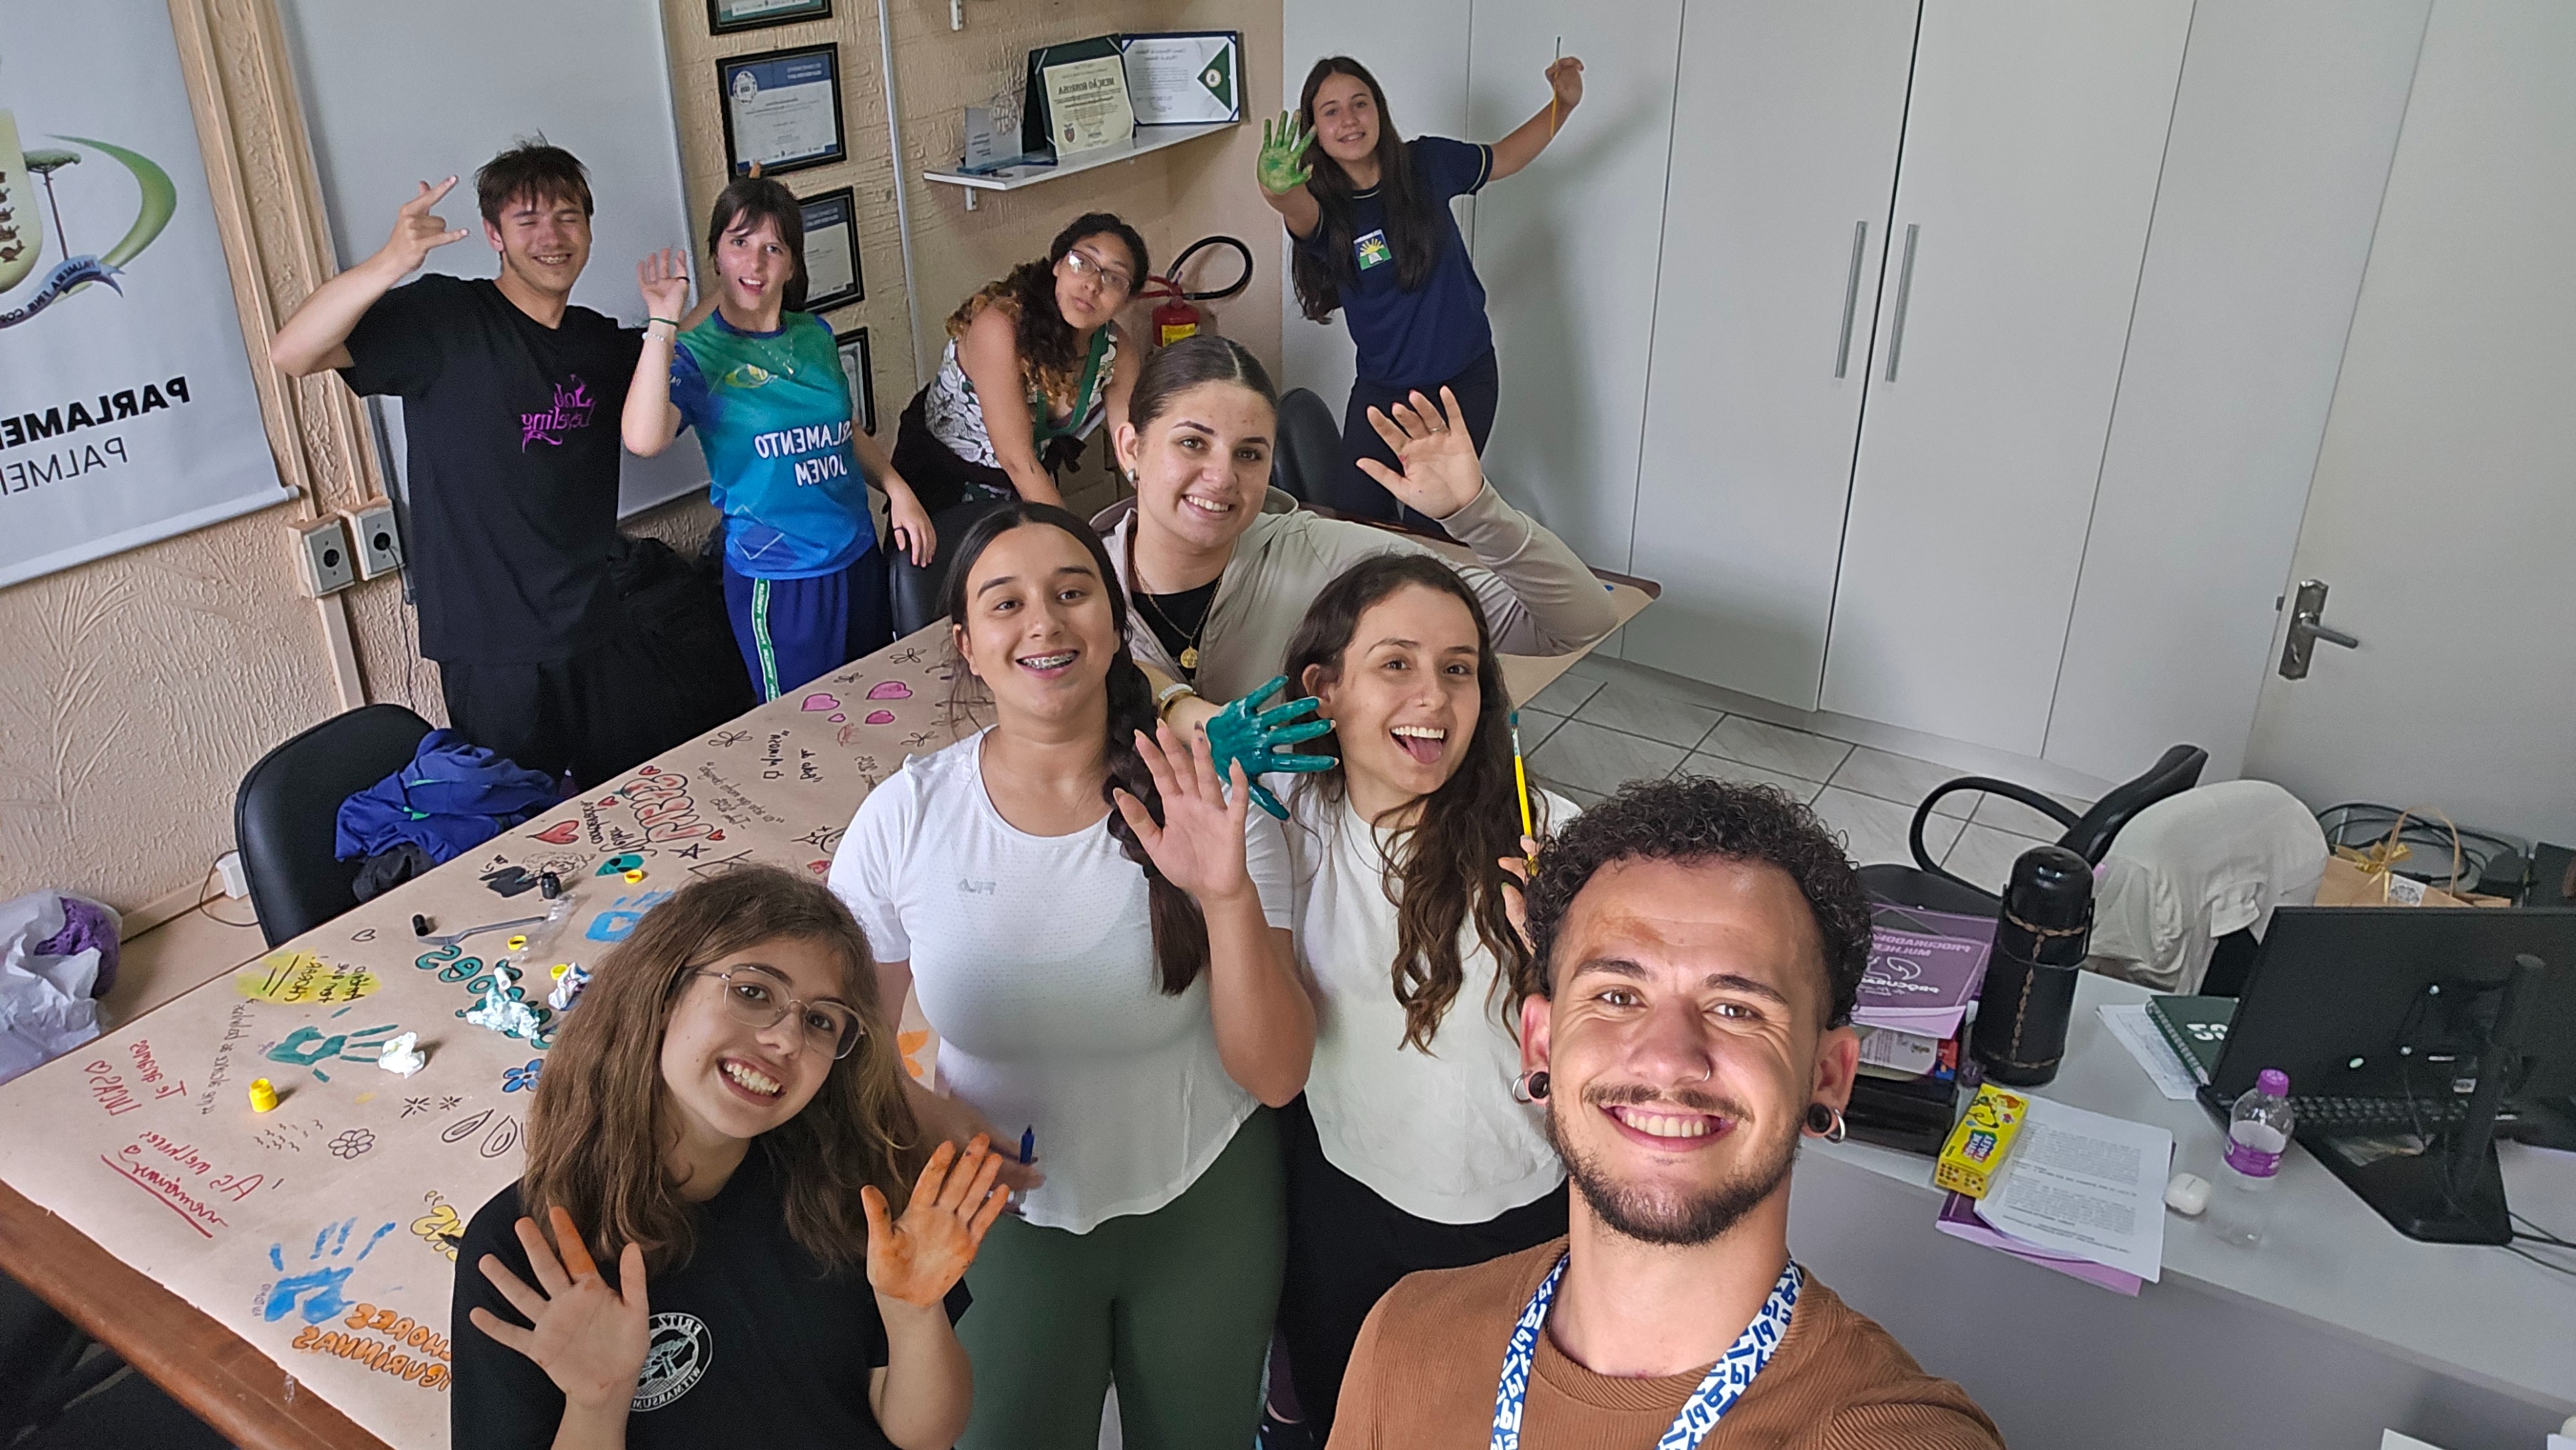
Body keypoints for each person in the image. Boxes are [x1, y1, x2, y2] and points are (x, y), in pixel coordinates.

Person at [826, 504, 1314, 1448]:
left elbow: (1276, 1074)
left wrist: (1224, 896)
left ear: (1115, 622)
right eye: (1005, 602)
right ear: (966, 645)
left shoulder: (1207, 801)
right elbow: (845, 1050)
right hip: (994, 1213)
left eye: (1071, 591)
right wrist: (929, 1116)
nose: (1043, 622)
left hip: (1206, 1197)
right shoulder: (905, 818)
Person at [1325, 777, 2006, 1447]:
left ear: (1827, 1077)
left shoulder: (1894, 1434)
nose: (1666, 1059)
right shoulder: (1404, 1335)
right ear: (1541, 1044)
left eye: (1735, 1008)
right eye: (1617, 996)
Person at [451, 865, 1010, 1450]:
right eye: (753, 992)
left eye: (820, 1020)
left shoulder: (851, 1181)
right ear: (663, 991)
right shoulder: (524, 1247)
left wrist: (912, 1313)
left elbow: (925, 1435)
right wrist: (598, 1403)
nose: (787, 1039)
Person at [1265, 553, 1581, 1441]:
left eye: (1458, 669)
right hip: (1345, 1200)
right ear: (1324, 689)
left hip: (1522, 1213)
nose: (1433, 697)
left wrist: (1569, 960)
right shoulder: (1283, 816)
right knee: (1346, 1411)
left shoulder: (1550, 841)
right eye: (1395, 663)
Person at [269, 141, 657, 786]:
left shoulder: (595, 341)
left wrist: (719, 296)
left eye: (568, 217)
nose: (552, 237)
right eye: (527, 220)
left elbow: (675, 355)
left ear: (588, 229)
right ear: (493, 235)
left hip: (596, 626)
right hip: (491, 648)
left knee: (626, 802)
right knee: (515, 822)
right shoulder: (445, 318)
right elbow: (293, 352)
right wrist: (390, 262)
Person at [1094, 335, 1617, 797]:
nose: (1222, 476)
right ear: (1131, 448)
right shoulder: (1076, 582)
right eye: (1192, 443)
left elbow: (1576, 622)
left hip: (1303, 860)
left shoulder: (1324, 555)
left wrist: (1477, 512)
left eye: (1249, 454)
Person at [620, 177, 935, 700]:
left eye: (773, 248)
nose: (755, 263)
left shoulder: (814, 335)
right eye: (739, 243)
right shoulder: (700, 353)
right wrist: (662, 325)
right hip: (780, 579)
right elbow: (643, 439)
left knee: (878, 706)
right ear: (716, 255)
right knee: (807, 728)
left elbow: (842, 431)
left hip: (856, 557)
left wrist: (897, 488)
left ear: (792, 264)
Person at [1260, 55, 1584, 524]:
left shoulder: (1426, 164)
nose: (1349, 119)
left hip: (1462, 385)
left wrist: (1563, 105)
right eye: (1330, 111)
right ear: (1314, 130)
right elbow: (1293, 206)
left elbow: (1507, 156)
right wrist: (1275, 191)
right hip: (1382, 392)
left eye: (1359, 103)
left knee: (1431, 525)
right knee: (1355, 522)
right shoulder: (1324, 207)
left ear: (1378, 109)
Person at [886, 214, 1146, 610]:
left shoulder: (1116, 350)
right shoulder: (1000, 327)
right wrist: (1087, 554)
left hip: (1025, 492)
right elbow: (1017, 459)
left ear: (1127, 299)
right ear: (1058, 264)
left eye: (1114, 278)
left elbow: (1133, 453)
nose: (1093, 285)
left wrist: (1167, 514)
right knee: (963, 611)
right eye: (1082, 263)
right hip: (945, 489)